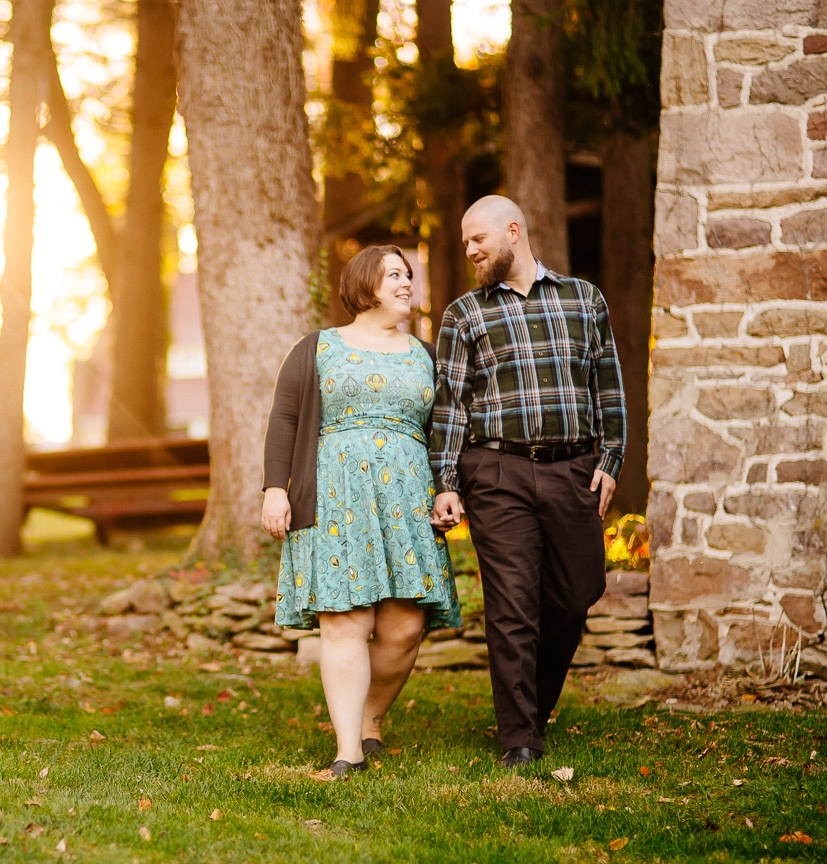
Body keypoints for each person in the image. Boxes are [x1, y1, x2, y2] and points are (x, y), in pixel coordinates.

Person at [429, 195, 627, 769]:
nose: (469, 251)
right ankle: (520, 737)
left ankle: (531, 709)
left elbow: (607, 387)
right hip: (496, 471)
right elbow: (450, 407)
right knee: (512, 604)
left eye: (477, 240)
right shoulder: (464, 314)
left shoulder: (584, 299)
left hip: (572, 469)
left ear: (512, 231)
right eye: (466, 243)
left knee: (576, 595)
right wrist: (447, 482)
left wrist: (610, 460)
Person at [262, 244, 463, 782]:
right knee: (347, 622)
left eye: (408, 274)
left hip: (407, 499)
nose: (406, 283)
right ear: (365, 284)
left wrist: (447, 488)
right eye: (393, 274)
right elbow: (285, 417)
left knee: (403, 627)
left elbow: (444, 430)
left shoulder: (427, 354)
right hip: (336, 498)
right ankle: (348, 749)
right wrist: (274, 489)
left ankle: (370, 716)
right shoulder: (318, 347)